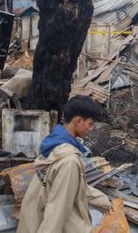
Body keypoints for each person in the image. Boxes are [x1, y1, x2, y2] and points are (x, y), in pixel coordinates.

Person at [17, 95, 112, 233]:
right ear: (78, 121)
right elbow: (57, 210)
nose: (91, 129)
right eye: (90, 123)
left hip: (33, 217)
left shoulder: (53, 144)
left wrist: (102, 201)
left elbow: (74, 185)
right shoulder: (69, 161)